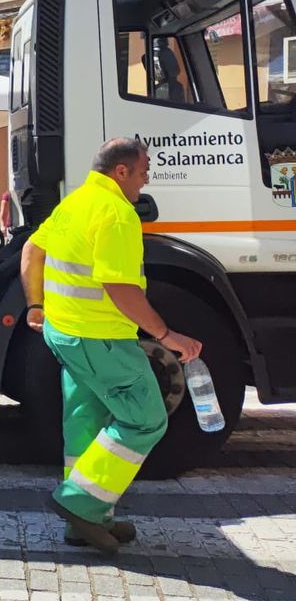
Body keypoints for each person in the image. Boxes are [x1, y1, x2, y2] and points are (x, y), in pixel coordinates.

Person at [19, 137, 202, 555]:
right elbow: (120, 288)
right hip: (101, 338)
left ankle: (88, 522)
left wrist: (35, 304)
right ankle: (79, 504)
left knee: (86, 421)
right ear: (121, 171)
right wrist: (167, 336)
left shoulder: (75, 202)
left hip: (65, 334)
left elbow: (32, 250)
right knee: (145, 419)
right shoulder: (117, 213)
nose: (146, 178)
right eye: (143, 171)